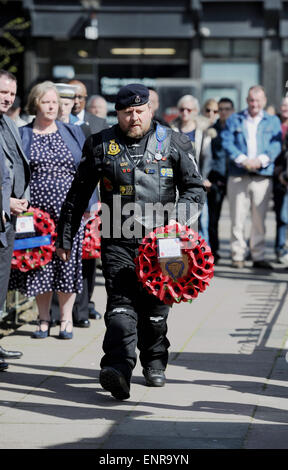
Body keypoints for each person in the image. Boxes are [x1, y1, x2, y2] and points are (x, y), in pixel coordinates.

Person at [55, 83, 205, 400]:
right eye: (127, 113)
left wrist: (177, 220)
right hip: (117, 238)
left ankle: (154, 361)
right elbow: (78, 194)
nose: (134, 118)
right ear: (118, 114)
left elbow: (195, 190)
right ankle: (118, 369)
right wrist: (65, 237)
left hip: (163, 243)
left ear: (150, 109)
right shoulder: (99, 144)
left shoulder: (174, 141)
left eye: (139, 111)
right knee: (121, 307)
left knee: (155, 312)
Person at [9, 80, 86, 340]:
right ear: (36, 104)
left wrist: (90, 205)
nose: (52, 107)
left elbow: (86, 171)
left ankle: (66, 319)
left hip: (70, 212)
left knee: (68, 263)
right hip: (36, 214)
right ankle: (44, 320)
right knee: (39, 265)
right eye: (46, 102)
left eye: (55, 102)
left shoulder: (72, 131)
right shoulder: (23, 133)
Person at [222, 85, 282, 269]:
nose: (254, 104)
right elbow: (227, 141)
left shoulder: (272, 121)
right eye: (251, 100)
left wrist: (261, 160)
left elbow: (276, 145)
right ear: (247, 101)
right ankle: (237, 255)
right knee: (237, 218)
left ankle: (258, 255)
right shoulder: (235, 119)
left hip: (262, 175)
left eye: (257, 100)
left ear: (263, 101)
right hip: (239, 174)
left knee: (259, 219)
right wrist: (243, 159)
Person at [0, 70, 30, 369]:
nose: (7, 98)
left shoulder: (8, 123)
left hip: (8, 219)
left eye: (11, 94)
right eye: (2, 93)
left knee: (1, 284)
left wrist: (22, 196)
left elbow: (18, 164)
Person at [170, 94, 212, 244]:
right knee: (179, 221)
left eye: (189, 109)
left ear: (195, 110)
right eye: (182, 109)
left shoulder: (203, 131)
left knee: (202, 222)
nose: (185, 112)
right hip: (176, 184)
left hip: (198, 184)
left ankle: (203, 255)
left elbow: (208, 157)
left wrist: (204, 178)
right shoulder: (171, 130)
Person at [207, 98, 235, 263]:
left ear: (232, 110)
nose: (223, 112)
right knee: (213, 218)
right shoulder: (212, 129)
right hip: (216, 179)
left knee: (237, 217)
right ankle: (215, 251)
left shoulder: (237, 128)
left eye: (227, 109)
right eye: (220, 109)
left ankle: (237, 251)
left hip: (234, 176)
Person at [273, 96, 288, 264]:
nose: (285, 108)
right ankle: (280, 248)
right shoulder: (274, 124)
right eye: (283, 105)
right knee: (280, 215)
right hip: (278, 176)